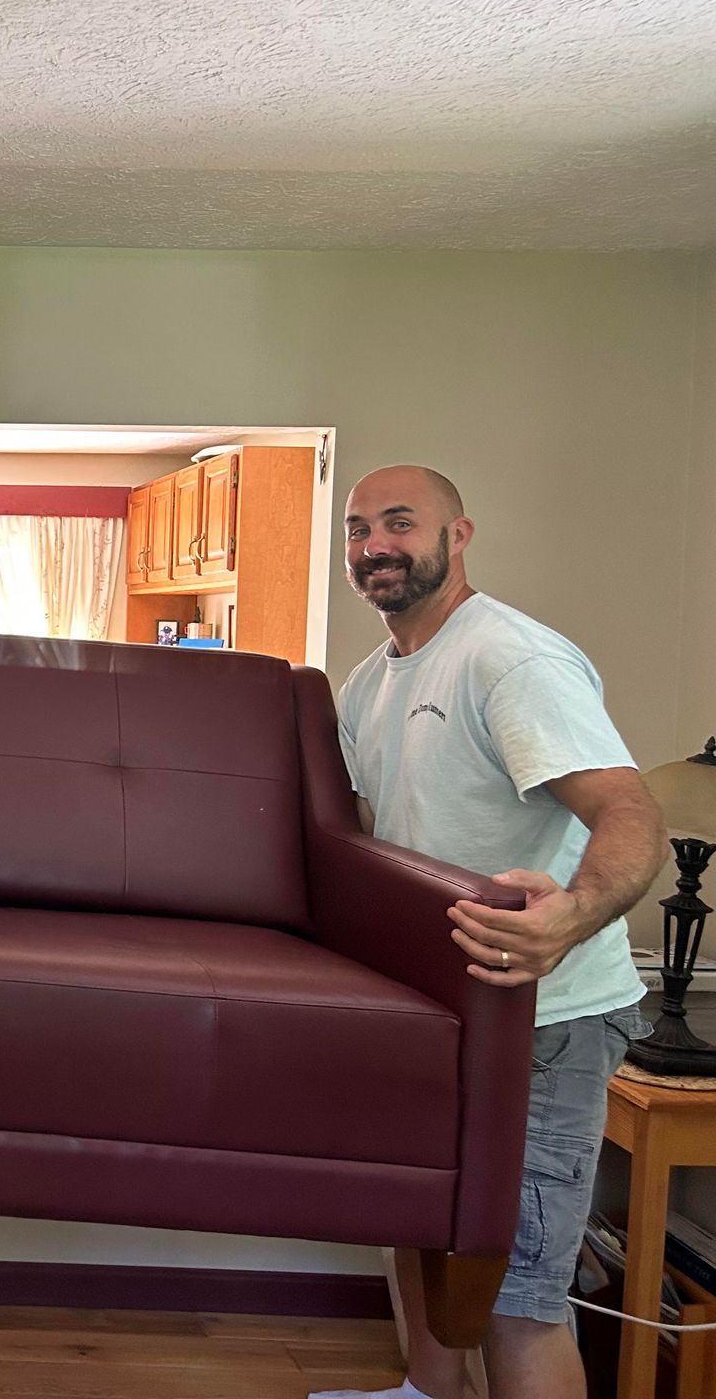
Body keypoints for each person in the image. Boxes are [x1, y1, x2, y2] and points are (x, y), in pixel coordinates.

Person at [312, 467, 667, 1399]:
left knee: (517, 1291)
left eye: (400, 523)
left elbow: (630, 813)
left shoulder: (508, 660)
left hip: (544, 1020)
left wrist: (570, 917)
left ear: (458, 536)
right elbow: (369, 843)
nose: (375, 545)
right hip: (439, 1012)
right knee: (424, 1230)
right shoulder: (368, 683)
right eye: (357, 529)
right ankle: (426, 1393)